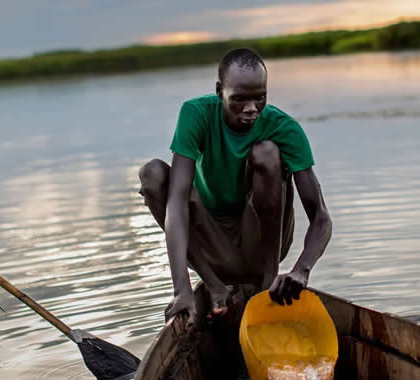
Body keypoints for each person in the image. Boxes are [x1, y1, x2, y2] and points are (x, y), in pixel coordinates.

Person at [138, 47, 332, 326]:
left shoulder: (284, 128)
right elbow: (177, 201)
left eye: (260, 98)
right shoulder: (196, 114)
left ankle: (266, 285)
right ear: (220, 91)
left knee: (267, 152)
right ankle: (215, 286)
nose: (251, 109)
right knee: (152, 174)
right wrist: (181, 288)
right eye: (239, 99)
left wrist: (301, 270)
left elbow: (321, 218)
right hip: (211, 246)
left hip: (261, 246)